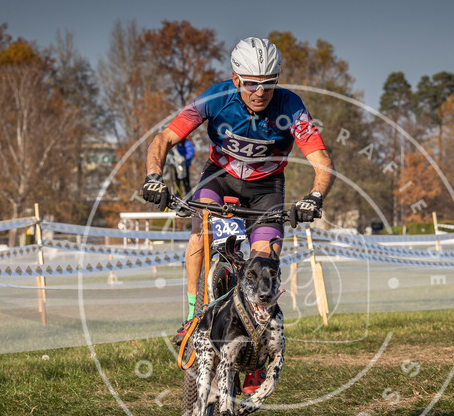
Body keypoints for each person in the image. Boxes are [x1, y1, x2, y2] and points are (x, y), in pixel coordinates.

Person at [141, 37, 336, 390]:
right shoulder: (214, 97)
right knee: (200, 233)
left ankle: (260, 350)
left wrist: (314, 196)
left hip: (266, 190)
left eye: (268, 82)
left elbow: (321, 162)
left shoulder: (290, 106)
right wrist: (154, 176)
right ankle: (191, 315)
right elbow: (164, 139)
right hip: (220, 180)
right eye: (251, 83)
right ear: (235, 79)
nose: (259, 91)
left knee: (266, 263)